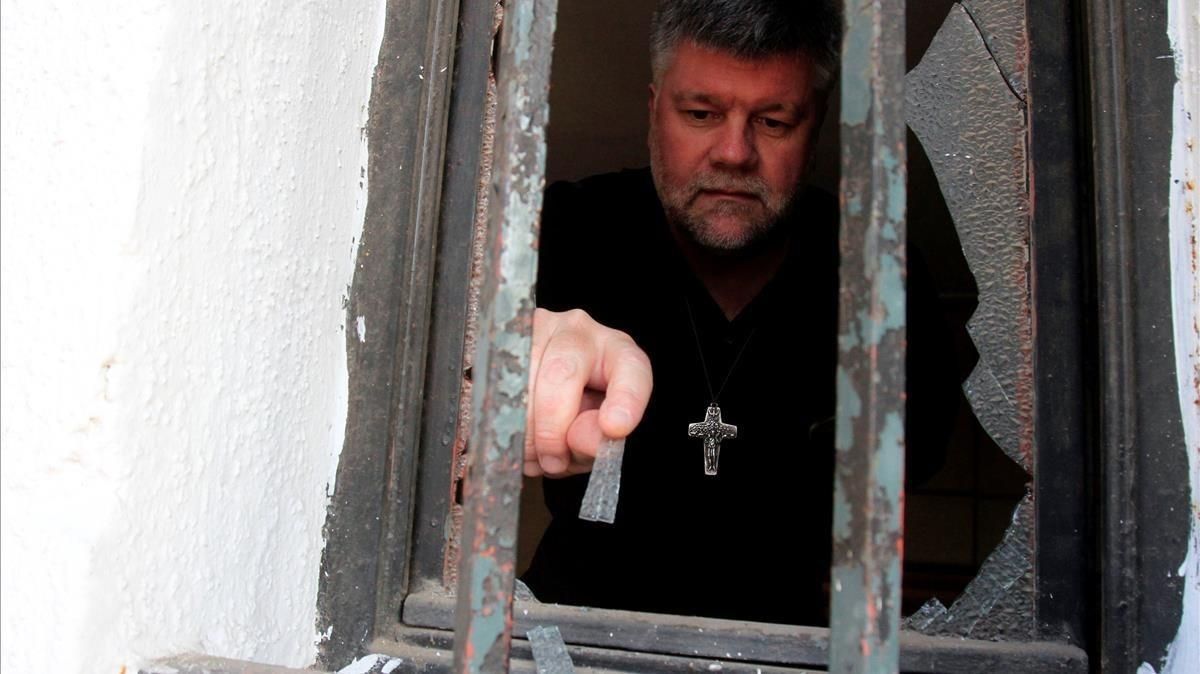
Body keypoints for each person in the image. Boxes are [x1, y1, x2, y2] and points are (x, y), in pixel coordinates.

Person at [519, 0, 956, 626]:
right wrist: (498, 363)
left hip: (793, 642)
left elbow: (921, 456)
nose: (733, 152)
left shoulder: (879, 267)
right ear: (653, 109)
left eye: (774, 121)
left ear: (817, 124)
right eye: (700, 114)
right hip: (572, 626)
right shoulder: (566, 229)